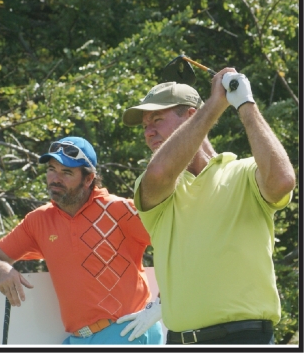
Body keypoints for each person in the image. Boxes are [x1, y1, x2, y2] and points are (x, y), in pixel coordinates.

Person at [120, 69, 296, 345]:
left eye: (157, 119)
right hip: (183, 342)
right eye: (144, 125)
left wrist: (246, 105)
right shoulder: (155, 184)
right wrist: (216, 104)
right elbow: (159, 174)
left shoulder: (245, 172)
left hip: (249, 339)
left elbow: (282, 181)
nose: (148, 131)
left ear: (191, 116)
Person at [0, 136, 163, 345]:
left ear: (88, 178)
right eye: (51, 169)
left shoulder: (120, 210)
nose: (55, 178)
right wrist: (0, 269)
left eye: (67, 172)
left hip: (128, 331)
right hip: (77, 339)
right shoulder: (39, 221)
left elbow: (175, 243)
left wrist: (161, 304)